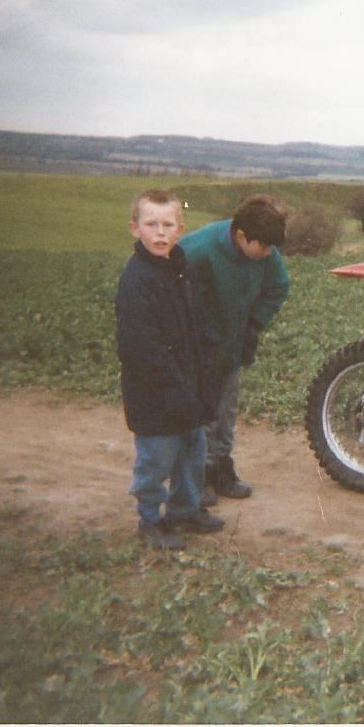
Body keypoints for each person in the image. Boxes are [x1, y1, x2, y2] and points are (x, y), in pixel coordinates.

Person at [115, 189, 224, 550]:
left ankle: (184, 511)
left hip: (189, 388)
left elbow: (196, 321)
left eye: (167, 224)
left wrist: (207, 356)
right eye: (151, 224)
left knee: (192, 455)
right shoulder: (136, 280)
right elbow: (140, 346)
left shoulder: (181, 269)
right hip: (155, 395)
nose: (160, 233)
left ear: (180, 229)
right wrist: (172, 385)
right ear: (135, 229)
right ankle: (149, 520)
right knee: (157, 460)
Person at [179, 194, 291, 503]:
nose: (268, 254)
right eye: (264, 247)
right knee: (199, 410)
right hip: (196, 346)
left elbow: (278, 286)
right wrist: (198, 333)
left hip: (232, 342)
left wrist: (254, 324)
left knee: (225, 410)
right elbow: (175, 295)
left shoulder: (265, 252)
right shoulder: (197, 251)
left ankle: (220, 468)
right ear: (241, 236)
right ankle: (194, 475)